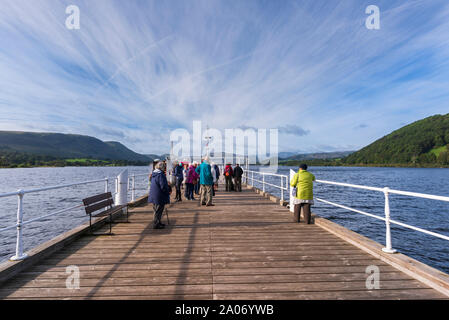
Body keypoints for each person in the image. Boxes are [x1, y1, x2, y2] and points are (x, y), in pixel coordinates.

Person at [148, 161, 171, 229]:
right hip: (159, 195)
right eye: (164, 167)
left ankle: (158, 222)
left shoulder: (154, 173)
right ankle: (156, 224)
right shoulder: (160, 175)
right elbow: (163, 186)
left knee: (156, 210)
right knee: (158, 210)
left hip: (154, 194)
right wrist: (167, 191)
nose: (165, 168)